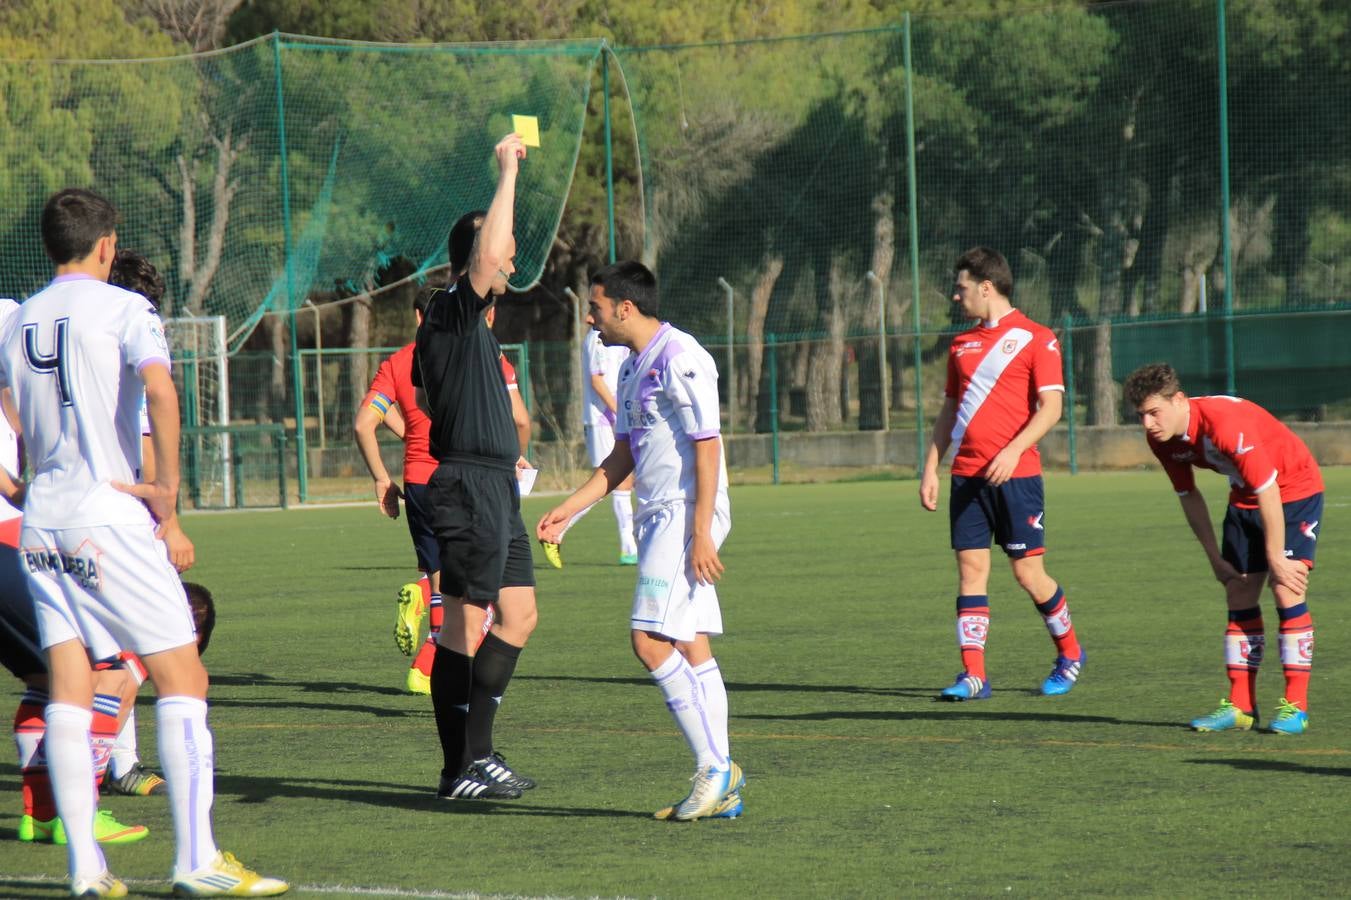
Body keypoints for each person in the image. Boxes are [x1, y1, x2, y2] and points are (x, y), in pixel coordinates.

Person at [0, 188, 286, 897]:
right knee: (183, 677)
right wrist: (167, 493)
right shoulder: (128, 309)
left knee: (68, 687)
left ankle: (87, 872)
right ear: (106, 245)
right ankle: (196, 861)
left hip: (43, 520)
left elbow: (10, 401)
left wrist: (24, 473)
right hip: (110, 515)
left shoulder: (21, 317)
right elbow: (161, 392)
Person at [538, 261, 743, 821]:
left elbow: (707, 446)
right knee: (691, 643)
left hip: (685, 513)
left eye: (596, 307)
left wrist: (701, 533)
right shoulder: (629, 369)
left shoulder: (683, 358)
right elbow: (621, 459)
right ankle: (723, 777)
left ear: (625, 308)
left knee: (648, 640)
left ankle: (713, 768)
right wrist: (568, 511)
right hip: (659, 514)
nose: (590, 316)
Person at [412, 133, 539, 801]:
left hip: (497, 488)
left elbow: (493, 256)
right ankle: (461, 765)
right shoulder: (448, 314)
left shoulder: (481, 331)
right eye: (504, 260)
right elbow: (489, 252)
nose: (509, 268)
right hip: (464, 485)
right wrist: (507, 170)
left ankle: (476, 755)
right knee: (464, 623)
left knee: (517, 615)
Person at [919, 247, 1085, 701]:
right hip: (967, 476)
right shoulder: (961, 344)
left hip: (1018, 477)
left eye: (962, 287)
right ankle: (974, 674)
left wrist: (1014, 451)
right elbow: (950, 409)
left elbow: (1051, 407)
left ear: (986, 287)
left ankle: (1069, 653)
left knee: (1028, 573)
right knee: (971, 571)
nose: (957, 296)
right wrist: (932, 465)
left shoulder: (1038, 338)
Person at [1123, 363, 1321, 734]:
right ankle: (1241, 707)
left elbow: (1269, 489)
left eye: (1154, 413)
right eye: (1141, 416)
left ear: (1179, 400)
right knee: (1238, 588)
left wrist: (1276, 558)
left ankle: (1296, 707)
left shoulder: (1224, 423)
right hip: (1245, 496)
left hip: (1294, 490)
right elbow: (1188, 494)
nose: (1148, 424)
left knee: (1285, 587)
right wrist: (1214, 557)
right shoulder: (1162, 438)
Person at [538, 326, 637, 569]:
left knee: (623, 482)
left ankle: (630, 547)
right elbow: (596, 380)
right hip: (602, 419)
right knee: (612, 482)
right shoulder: (598, 339)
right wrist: (619, 411)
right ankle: (557, 530)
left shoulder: (621, 338)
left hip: (616, 417)